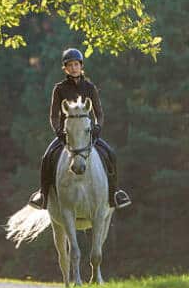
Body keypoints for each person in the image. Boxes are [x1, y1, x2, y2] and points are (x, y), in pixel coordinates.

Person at [28, 48, 132, 210]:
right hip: (66, 135)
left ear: (81, 66)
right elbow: (54, 116)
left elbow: (99, 113)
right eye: (70, 65)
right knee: (46, 157)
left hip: (87, 134)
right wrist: (58, 131)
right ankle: (43, 195)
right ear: (65, 68)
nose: (74, 68)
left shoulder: (90, 87)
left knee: (110, 154)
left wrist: (98, 127)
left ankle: (115, 193)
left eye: (76, 64)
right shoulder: (59, 89)